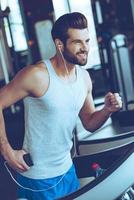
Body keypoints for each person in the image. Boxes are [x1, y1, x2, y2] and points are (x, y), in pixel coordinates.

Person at [0, 12, 122, 200]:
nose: (85, 48)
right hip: (39, 179)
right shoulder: (37, 75)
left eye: (87, 41)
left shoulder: (84, 78)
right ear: (60, 44)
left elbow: (89, 122)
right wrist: (7, 152)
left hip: (68, 171)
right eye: (77, 42)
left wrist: (107, 110)